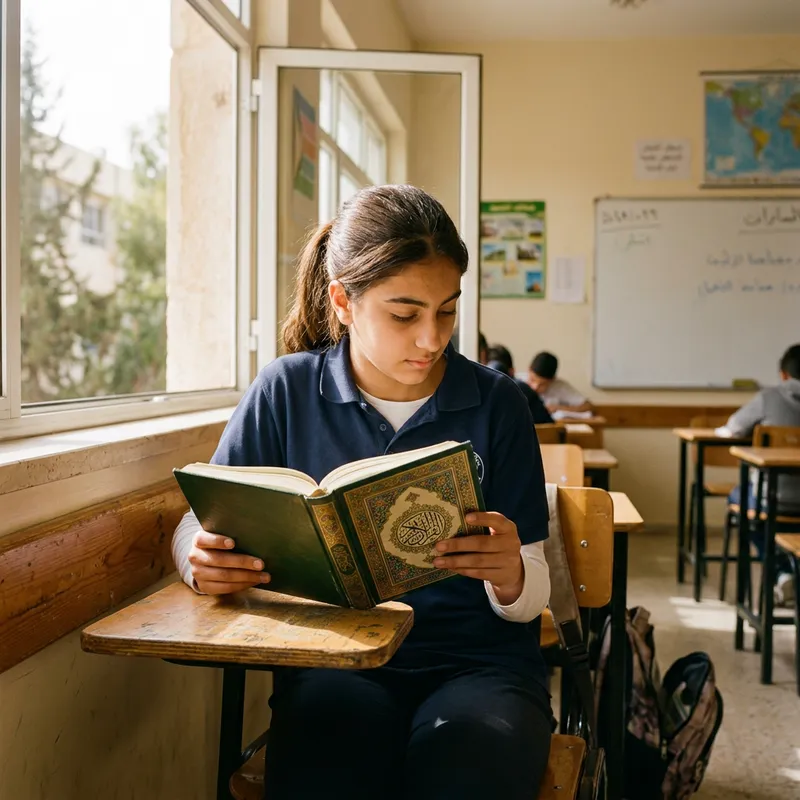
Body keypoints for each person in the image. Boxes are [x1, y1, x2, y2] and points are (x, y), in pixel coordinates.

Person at [171, 185, 553, 800]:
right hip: (333, 662)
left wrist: (511, 575)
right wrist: (200, 560)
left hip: (481, 667)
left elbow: (532, 589)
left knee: (460, 774)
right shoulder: (286, 391)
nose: (432, 338)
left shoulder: (497, 402)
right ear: (343, 302)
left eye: (447, 311)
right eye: (405, 314)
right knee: (329, 767)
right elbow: (198, 521)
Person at [718, 343, 800, 605]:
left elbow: (733, 428)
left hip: (773, 499)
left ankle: (781, 571)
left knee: (738, 501)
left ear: (784, 374)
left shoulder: (769, 398)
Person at [485, 344, 553, 424]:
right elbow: (551, 428)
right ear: (512, 370)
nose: (535, 387)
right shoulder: (524, 389)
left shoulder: (484, 394)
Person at [527, 351, 592, 413]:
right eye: (532, 380)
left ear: (553, 380)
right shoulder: (518, 382)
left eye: (542, 384)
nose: (535, 387)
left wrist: (559, 408)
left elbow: (588, 406)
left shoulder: (560, 386)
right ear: (529, 370)